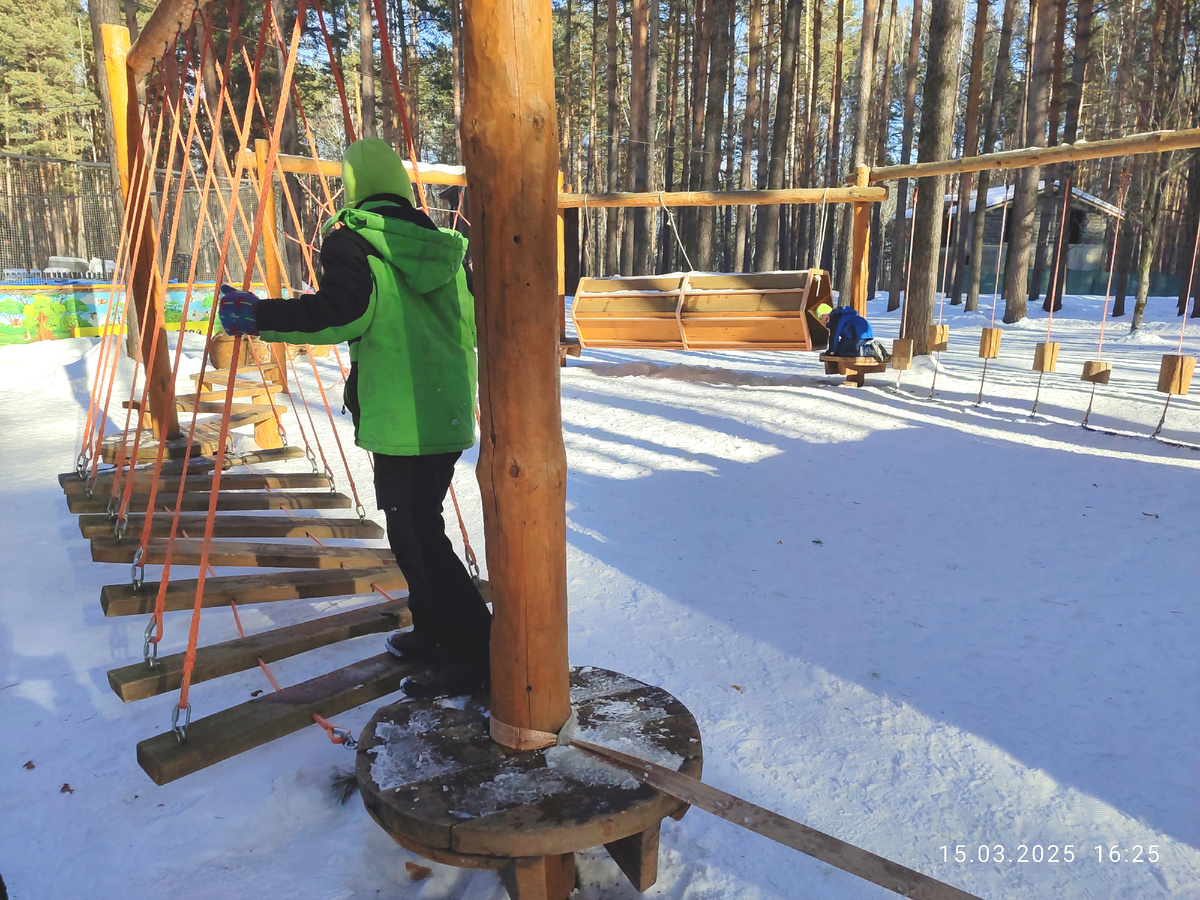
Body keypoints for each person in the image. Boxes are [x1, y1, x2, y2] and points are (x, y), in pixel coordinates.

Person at [217, 138, 491, 699]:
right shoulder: (437, 244)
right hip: (444, 407)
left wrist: (257, 315)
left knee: (417, 532)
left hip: (399, 412)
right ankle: (437, 629)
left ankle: (472, 650)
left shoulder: (354, 241)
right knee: (418, 523)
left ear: (353, 186)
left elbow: (341, 314)